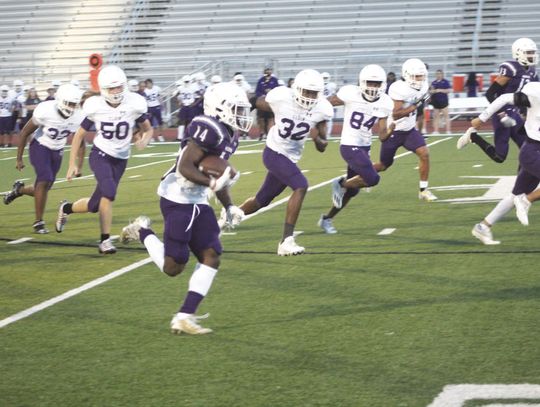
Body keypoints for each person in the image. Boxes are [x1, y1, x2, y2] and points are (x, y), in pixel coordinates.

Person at [119, 82, 252, 335]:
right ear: (219, 108)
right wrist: (212, 182)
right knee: (173, 267)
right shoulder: (208, 128)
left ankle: (184, 316)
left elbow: (219, 176)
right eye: (236, 108)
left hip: (198, 199)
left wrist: (229, 205)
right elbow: (185, 167)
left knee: (212, 255)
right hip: (177, 197)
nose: (241, 115)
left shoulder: (229, 134)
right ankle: (142, 231)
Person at [55, 65, 154, 254]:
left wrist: (144, 140)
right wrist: (72, 164)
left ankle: (66, 208)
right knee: (109, 192)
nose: (116, 91)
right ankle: (105, 241)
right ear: (103, 89)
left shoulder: (134, 103)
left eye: (119, 87)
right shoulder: (95, 106)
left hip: (121, 158)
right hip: (100, 154)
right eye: (112, 88)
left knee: (95, 205)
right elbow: (78, 136)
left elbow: (148, 128)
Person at [234, 69, 333, 255]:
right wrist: (238, 122)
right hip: (273, 151)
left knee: (261, 201)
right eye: (306, 92)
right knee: (301, 185)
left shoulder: (322, 109)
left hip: (290, 158)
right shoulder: (281, 97)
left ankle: (230, 216)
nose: (310, 97)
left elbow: (323, 146)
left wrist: (317, 139)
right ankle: (286, 241)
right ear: (296, 89)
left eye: (313, 93)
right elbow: (254, 101)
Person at [319, 65, 394, 234]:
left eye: (376, 84)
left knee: (352, 192)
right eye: (370, 83)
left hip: (364, 146)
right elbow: (326, 103)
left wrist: (389, 132)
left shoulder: (385, 102)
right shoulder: (350, 93)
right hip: (348, 144)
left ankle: (327, 218)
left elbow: (382, 136)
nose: (373, 87)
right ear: (362, 82)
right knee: (373, 179)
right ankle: (340, 183)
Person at [466, 81, 540, 244]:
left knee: (514, 194)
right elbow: (505, 98)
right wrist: (482, 117)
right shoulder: (536, 92)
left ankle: (483, 226)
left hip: (533, 150)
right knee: (520, 197)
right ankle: (527, 200)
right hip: (533, 150)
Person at [3, 84, 83, 233]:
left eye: (74, 104)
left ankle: (18, 190)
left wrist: (79, 164)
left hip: (57, 150)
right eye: (69, 104)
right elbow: (24, 132)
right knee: (44, 179)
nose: (72, 108)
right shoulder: (46, 110)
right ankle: (38, 222)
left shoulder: (78, 116)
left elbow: (81, 142)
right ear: (60, 100)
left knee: (43, 188)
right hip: (40, 146)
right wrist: (19, 158)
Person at [457, 37, 538, 161]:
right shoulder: (511, 68)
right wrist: (501, 114)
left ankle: (526, 179)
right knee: (500, 156)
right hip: (502, 112)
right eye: (528, 53)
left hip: (515, 114)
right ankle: (474, 137)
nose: (532, 55)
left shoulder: (533, 72)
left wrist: (525, 114)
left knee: (528, 150)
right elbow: (490, 94)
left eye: (533, 52)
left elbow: (529, 98)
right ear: (518, 52)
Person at [373, 58, 438, 201]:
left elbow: (425, 98)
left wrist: (427, 98)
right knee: (384, 165)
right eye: (417, 76)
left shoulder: (423, 85)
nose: (420, 79)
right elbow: (395, 114)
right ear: (407, 75)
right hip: (393, 131)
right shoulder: (398, 87)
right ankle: (363, 173)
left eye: (422, 76)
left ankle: (423, 190)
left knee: (424, 154)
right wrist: (415, 105)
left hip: (409, 130)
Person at [255, 66, 279, 140]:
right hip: (263, 102)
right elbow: (257, 91)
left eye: (269, 71)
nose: (268, 72)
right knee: (261, 119)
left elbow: (278, 90)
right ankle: (262, 133)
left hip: (271, 102)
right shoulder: (261, 80)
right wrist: (262, 95)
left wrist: (271, 92)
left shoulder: (274, 80)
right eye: (267, 71)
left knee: (271, 118)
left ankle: (269, 134)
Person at [174, 74, 197, 141]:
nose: (186, 83)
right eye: (185, 81)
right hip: (184, 106)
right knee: (181, 121)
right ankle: (180, 136)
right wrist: (179, 102)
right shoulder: (180, 88)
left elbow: (200, 95)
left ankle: (189, 135)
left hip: (190, 106)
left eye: (187, 81)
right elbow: (175, 95)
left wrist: (195, 103)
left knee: (190, 121)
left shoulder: (193, 87)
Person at [429, 69, 452, 134]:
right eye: (437, 74)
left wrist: (439, 90)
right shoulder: (433, 82)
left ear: (442, 74)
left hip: (443, 101)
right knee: (436, 117)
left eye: (440, 74)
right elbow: (431, 91)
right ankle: (436, 131)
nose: (438, 75)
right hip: (435, 101)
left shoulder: (445, 82)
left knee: (446, 116)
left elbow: (448, 90)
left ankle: (448, 130)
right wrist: (432, 91)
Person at [322, 72, 337, 136]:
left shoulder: (331, 85)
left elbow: (333, 95)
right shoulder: (331, 85)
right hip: (321, 104)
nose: (325, 79)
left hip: (328, 104)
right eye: (324, 78)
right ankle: (321, 134)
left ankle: (328, 134)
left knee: (329, 120)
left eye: (326, 78)